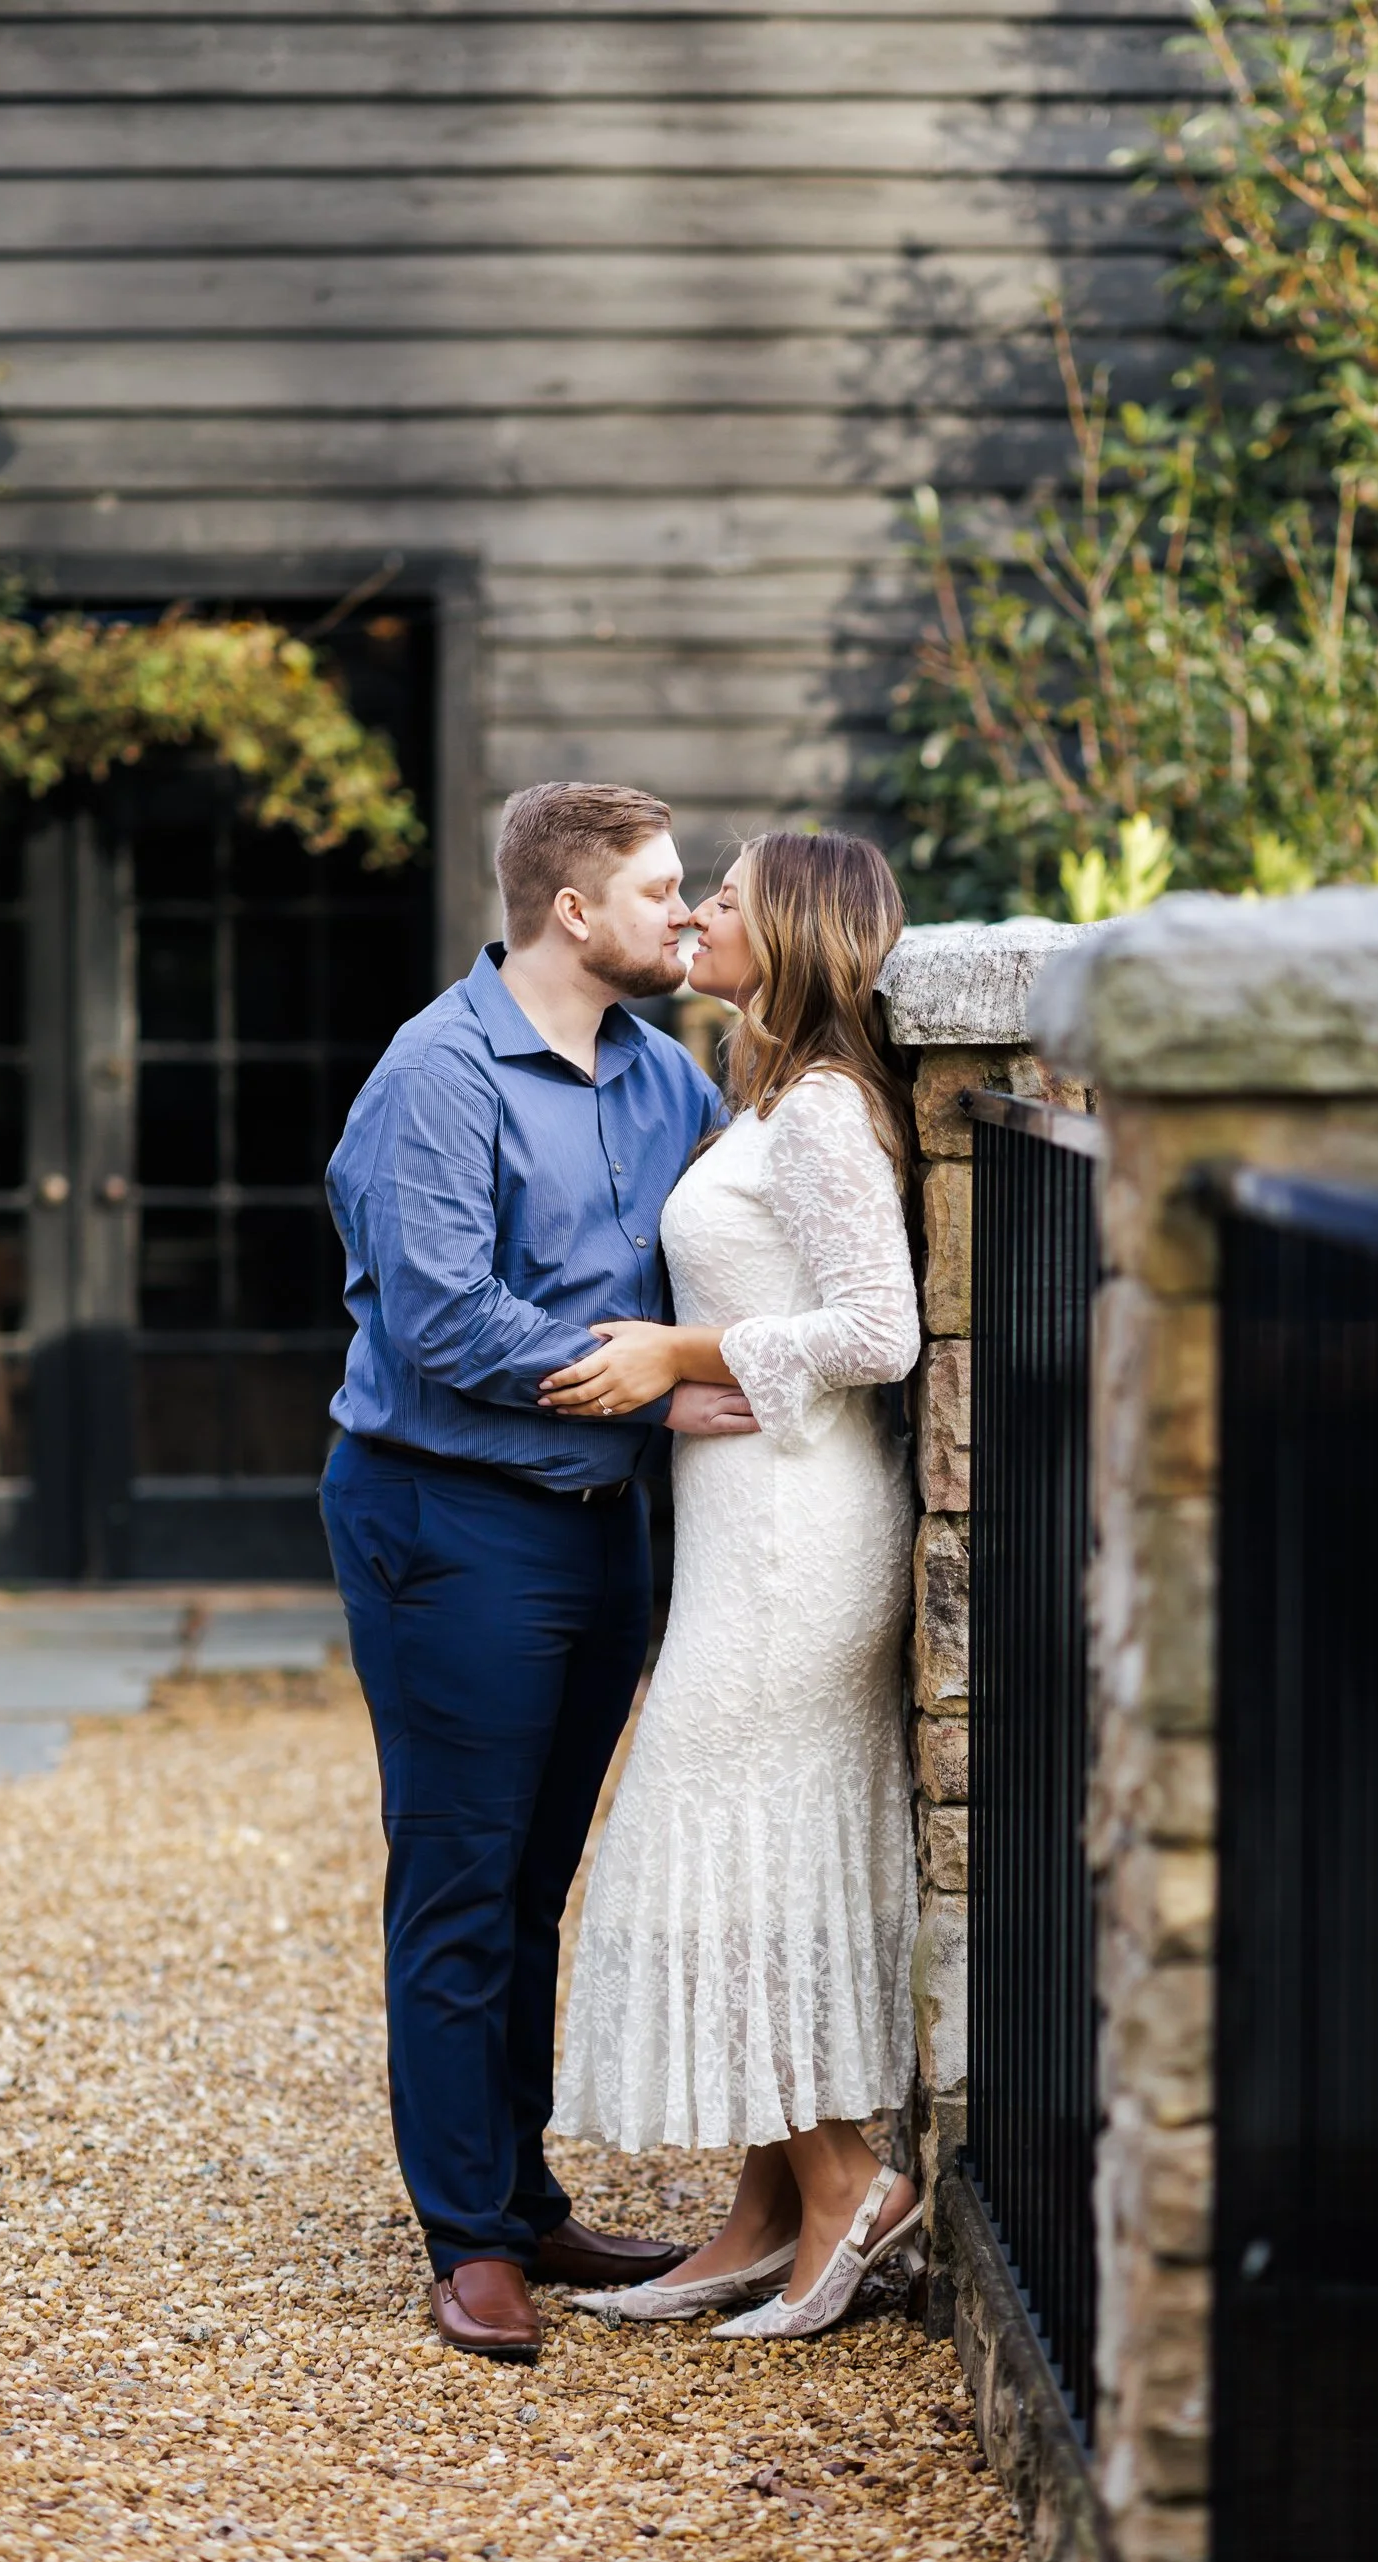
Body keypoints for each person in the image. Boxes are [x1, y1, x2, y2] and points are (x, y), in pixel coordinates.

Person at [320, 781, 759, 2365]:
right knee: (460, 1876)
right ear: (572, 911)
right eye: (658, 888)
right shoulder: (435, 1077)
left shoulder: (661, 1074)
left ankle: (522, 2194)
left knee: (533, 1881)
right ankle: (471, 2243)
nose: (685, 911)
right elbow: (441, 1313)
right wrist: (646, 1383)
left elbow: (732, 1236)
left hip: (600, 1526)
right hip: (448, 1520)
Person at [547, 828, 926, 2339]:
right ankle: (762, 2217)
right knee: (758, 1846)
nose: (700, 912)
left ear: (797, 930)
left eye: (727, 895)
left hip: (796, 1539)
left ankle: (850, 2185)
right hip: (743, 1530)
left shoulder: (824, 1110)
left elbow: (880, 1331)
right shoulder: (765, 1092)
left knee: (724, 1846)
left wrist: (678, 1354)